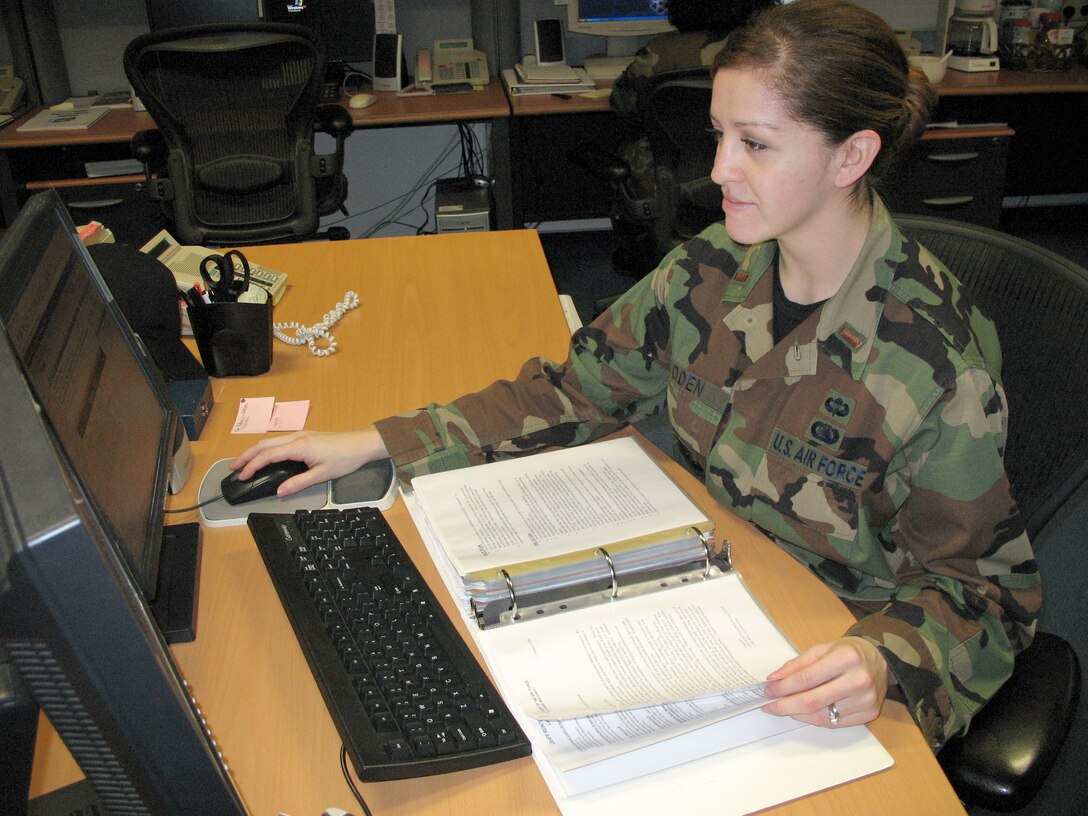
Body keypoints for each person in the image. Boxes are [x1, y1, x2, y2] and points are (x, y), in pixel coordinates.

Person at [233, 0, 1041, 752]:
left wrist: (883, 660)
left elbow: (984, 595)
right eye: (718, 132)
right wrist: (369, 442)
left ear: (852, 155)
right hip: (700, 592)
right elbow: (571, 391)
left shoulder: (934, 359)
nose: (718, 168)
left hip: (820, 655)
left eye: (755, 144)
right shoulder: (714, 266)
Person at [607, 0, 779, 274]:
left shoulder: (660, 52)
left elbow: (621, 103)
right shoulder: (767, 49)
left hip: (672, 176)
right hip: (750, 170)